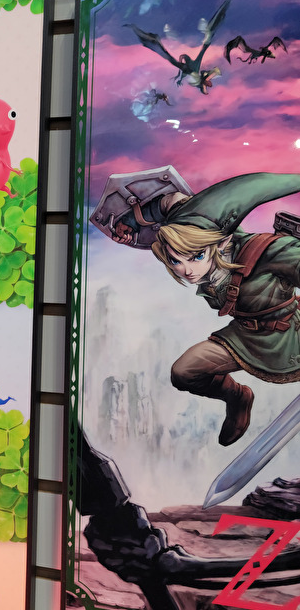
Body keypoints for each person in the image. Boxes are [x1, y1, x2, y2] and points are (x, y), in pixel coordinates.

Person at [109, 171, 300, 447]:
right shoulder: (190, 225)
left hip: (291, 333)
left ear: (221, 243)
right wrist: (128, 223)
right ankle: (238, 398)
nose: (187, 271)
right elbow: (166, 203)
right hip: (244, 336)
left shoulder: (270, 252)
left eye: (196, 257)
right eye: (176, 261)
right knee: (184, 372)